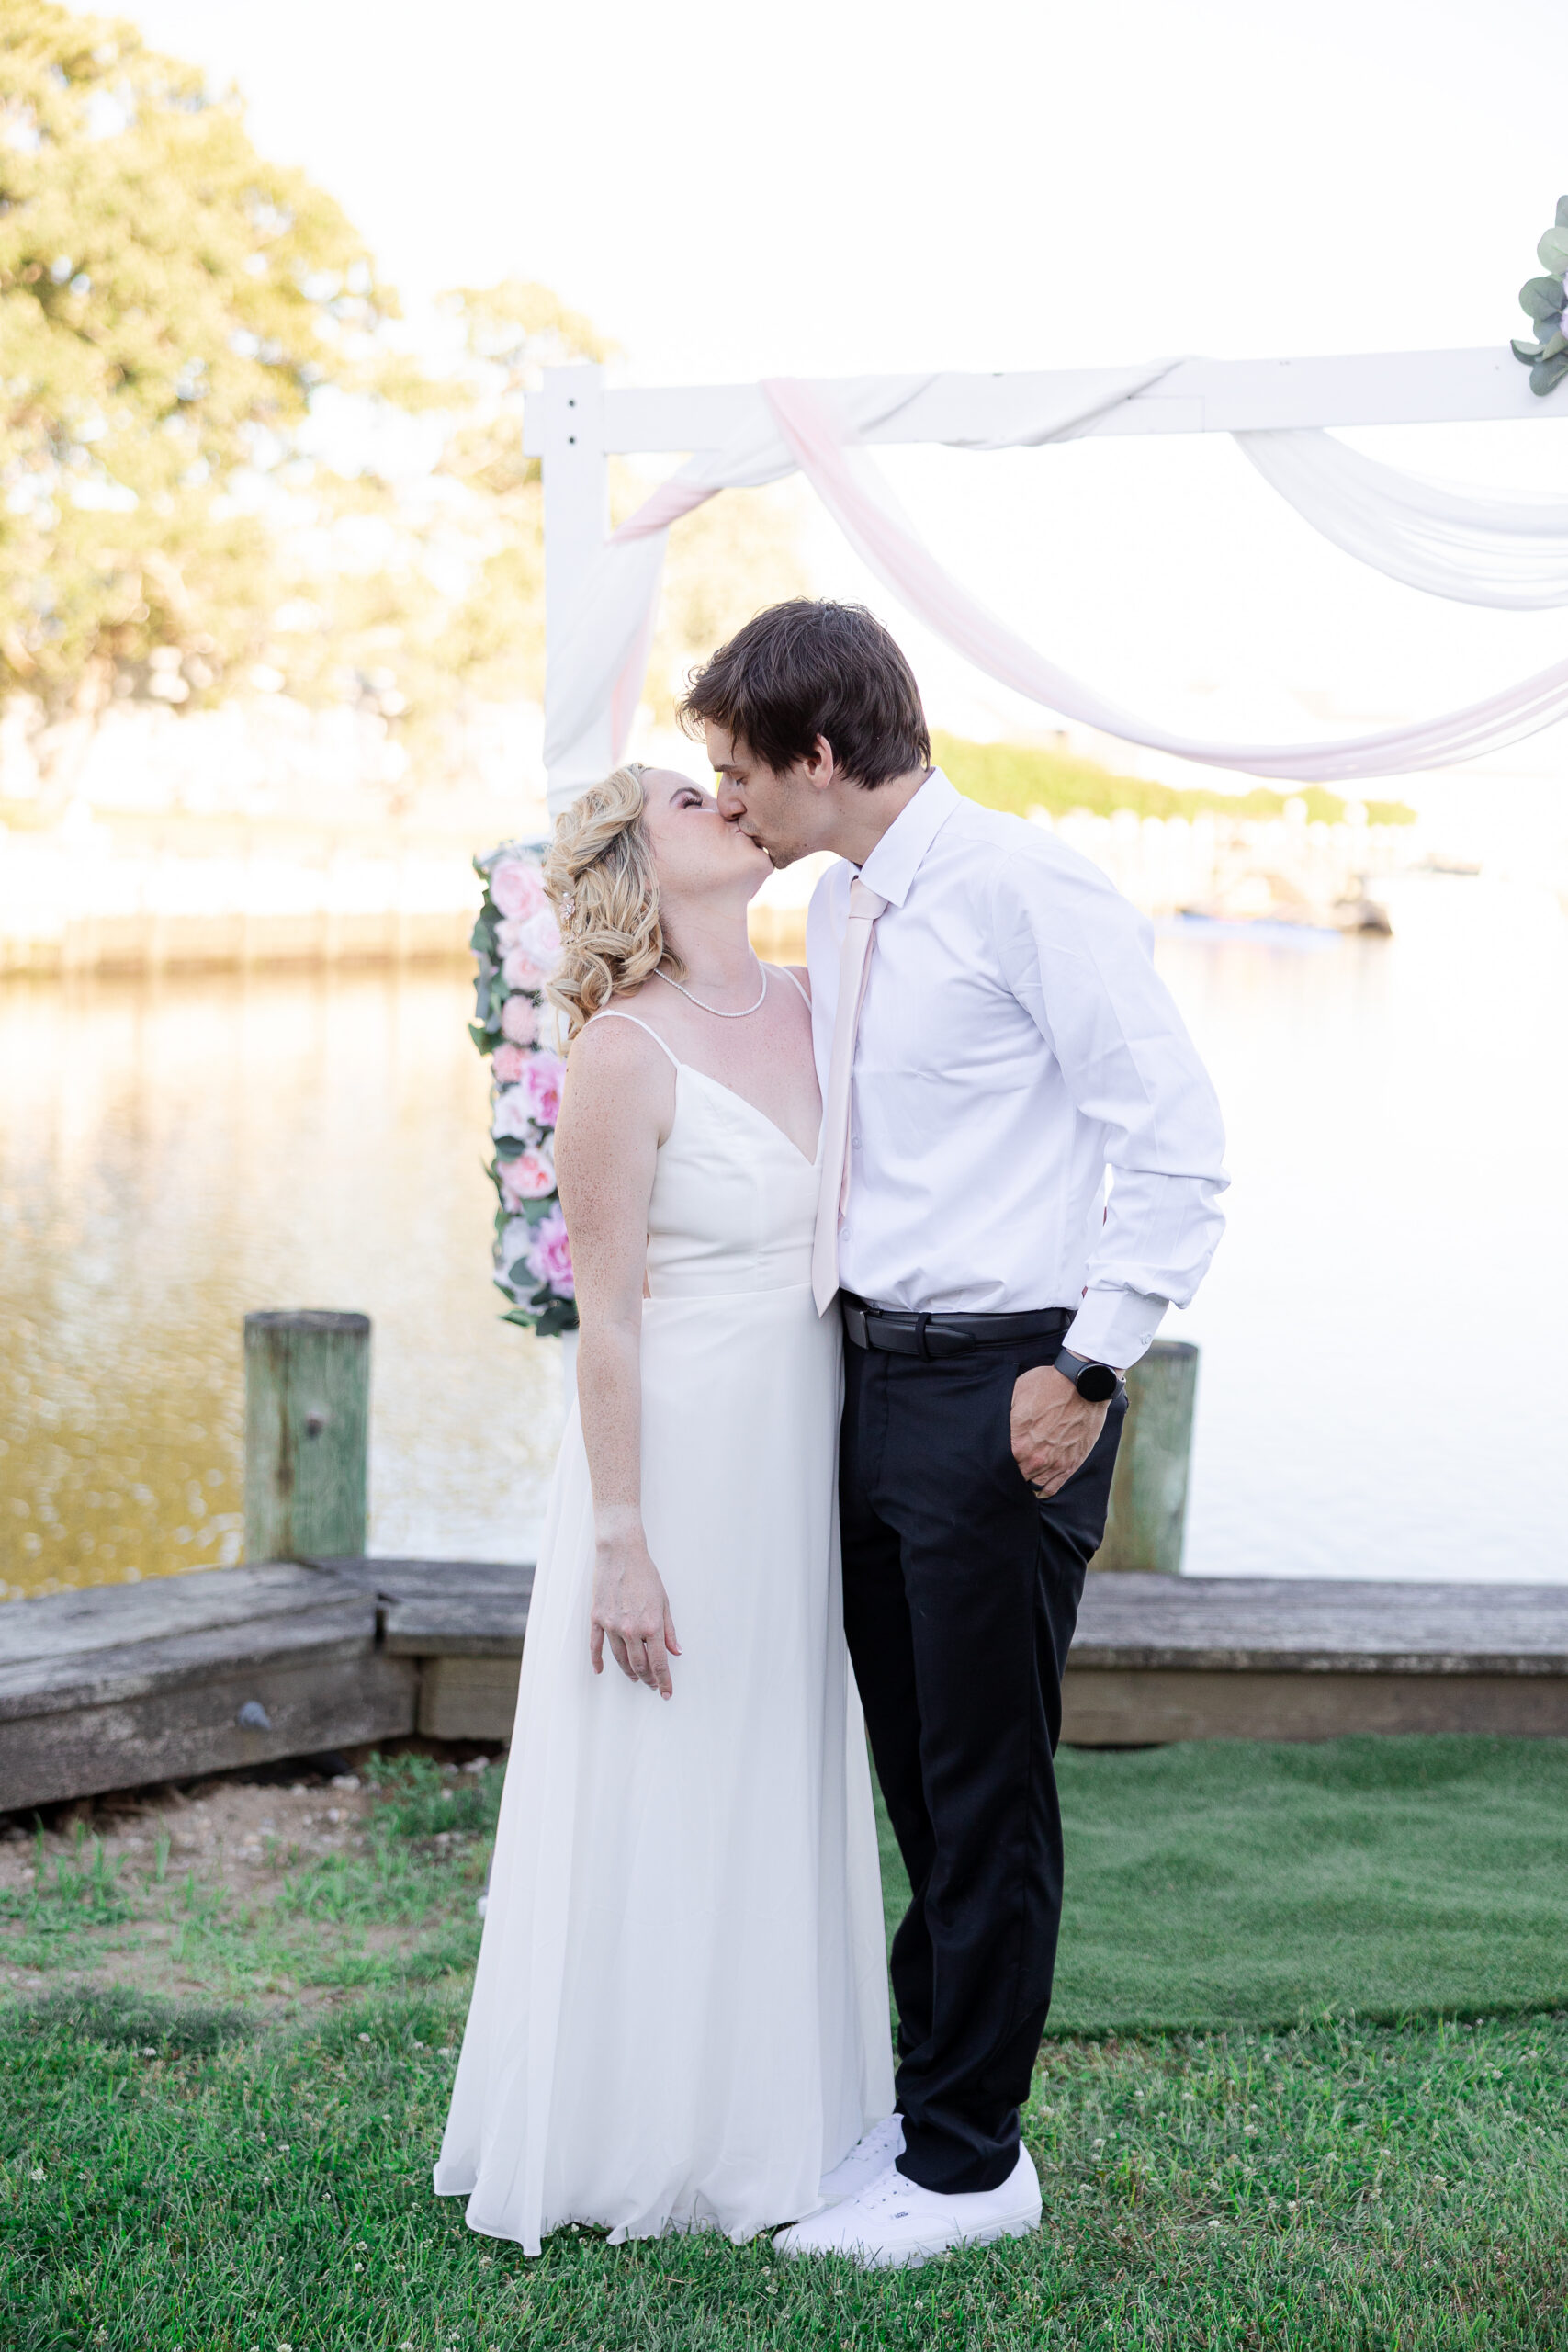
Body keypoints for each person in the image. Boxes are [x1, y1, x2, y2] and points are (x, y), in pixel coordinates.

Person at [686, 600, 1229, 2267]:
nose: (730, 803)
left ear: (822, 755)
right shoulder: (843, 911)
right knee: (919, 1778)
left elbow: (1184, 1149)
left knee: (986, 1788)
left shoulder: (1027, 890)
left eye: (738, 771)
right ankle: (934, 2109)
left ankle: (972, 2166)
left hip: (1010, 1385)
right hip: (867, 1379)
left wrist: (1087, 1369)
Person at [434, 762, 894, 2253]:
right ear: (640, 856)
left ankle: (787, 2108)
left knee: (776, 1744)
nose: (733, 800)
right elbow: (609, 1317)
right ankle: (643, 2130)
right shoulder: (625, 1055)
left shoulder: (822, 1000)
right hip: (677, 1456)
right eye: (694, 798)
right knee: (673, 1754)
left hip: (803, 1438)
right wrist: (621, 1542)